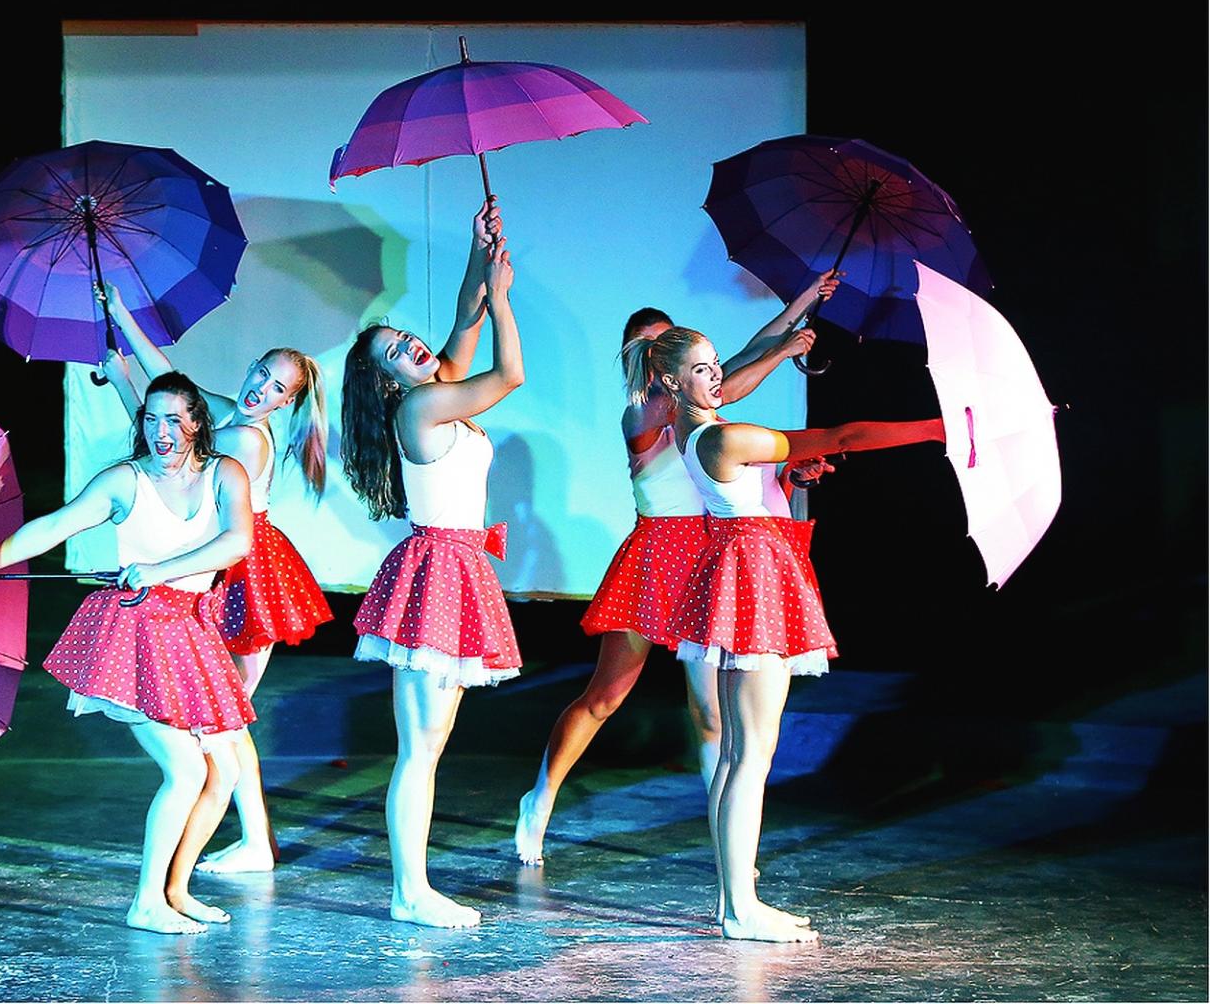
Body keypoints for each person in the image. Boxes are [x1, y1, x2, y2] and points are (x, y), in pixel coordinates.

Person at [626, 325, 943, 943]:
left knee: (738, 755)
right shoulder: (722, 436)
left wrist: (794, 477)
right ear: (671, 382)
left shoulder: (699, 432)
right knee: (751, 754)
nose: (716, 376)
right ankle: (741, 909)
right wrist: (935, 429)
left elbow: (786, 466)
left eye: (716, 364)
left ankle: (733, 901)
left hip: (745, 568)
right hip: (752, 577)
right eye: (701, 369)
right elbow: (841, 436)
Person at [514, 272, 841, 867]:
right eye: (651, 346)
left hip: (710, 554)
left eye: (670, 342)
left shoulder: (696, 400)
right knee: (606, 696)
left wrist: (803, 302)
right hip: (656, 556)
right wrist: (785, 349)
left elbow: (741, 357)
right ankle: (540, 799)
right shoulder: (642, 411)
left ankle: (728, 845)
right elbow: (735, 380)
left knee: (712, 713)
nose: (662, 354)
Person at [0, 372, 255, 935]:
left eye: (174, 419)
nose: (161, 432)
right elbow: (50, 528)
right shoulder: (124, 481)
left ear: (197, 423)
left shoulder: (224, 473)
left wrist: (159, 569)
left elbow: (237, 541)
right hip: (136, 635)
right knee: (186, 771)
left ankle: (176, 891)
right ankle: (146, 903)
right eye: (151, 419)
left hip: (190, 631)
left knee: (225, 771)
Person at [100, 289, 331, 874]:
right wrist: (121, 317)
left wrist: (127, 388)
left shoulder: (243, 438)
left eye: (277, 388)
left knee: (227, 714)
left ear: (287, 402)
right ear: (250, 367)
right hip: (231, 565)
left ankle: (253, 840)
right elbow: (172, 381)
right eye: (262, 375)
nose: (261, 389)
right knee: (228, 715)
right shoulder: (230, 414)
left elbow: (171, 450)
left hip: (245, 571)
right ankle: (256, 839)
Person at [340, 198, 517, 928]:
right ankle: (409, 892)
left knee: (430, 744)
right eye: (394, 352)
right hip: (437, 571)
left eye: (404, 336)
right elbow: (508, 374)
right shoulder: (416, 410)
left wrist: (480, 253)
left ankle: (412, 887)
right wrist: (502, 298)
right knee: (419, 748)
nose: (410, 346)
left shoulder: (436, 393)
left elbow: (461, 327)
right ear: (387, 381)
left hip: (457, 567)